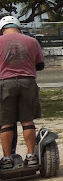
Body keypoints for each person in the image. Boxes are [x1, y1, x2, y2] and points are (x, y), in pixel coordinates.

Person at [0, 16, 45, 169]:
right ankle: (31, 155)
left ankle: (6, 159)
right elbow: (40, 65)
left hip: (5, 83)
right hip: (28, 82)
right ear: (18, 27)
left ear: (2, 28)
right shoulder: (32, 41)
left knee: (6, 123)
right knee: (27, 121)